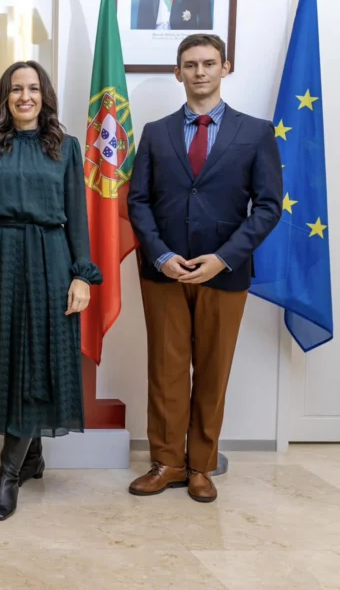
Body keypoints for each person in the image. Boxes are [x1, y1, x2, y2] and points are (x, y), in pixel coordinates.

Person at [127, 34, 282, 503]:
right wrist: (160, 255)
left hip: (225, 272)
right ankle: (168, 463)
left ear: (225, 68)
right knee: (166, 370)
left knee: (213, 371)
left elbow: (268, 206)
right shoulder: (155, 132)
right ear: (178, 72)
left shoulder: (255, 132)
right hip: (164, 272)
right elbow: (138, 201)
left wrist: (223, 257)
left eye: (209, 63)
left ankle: (201, 466)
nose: (200, 72)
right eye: (190, 64)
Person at [0, 60, 101, 521]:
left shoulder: (67, 149)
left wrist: (82, 274)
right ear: (5, 97)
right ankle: (31, 456)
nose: (25, 97)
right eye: (16, 89)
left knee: (39, 358)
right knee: (7, 358)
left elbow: (78, 215)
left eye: (33, 89)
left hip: (51, 258)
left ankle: (8, 474)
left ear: (44, 96)